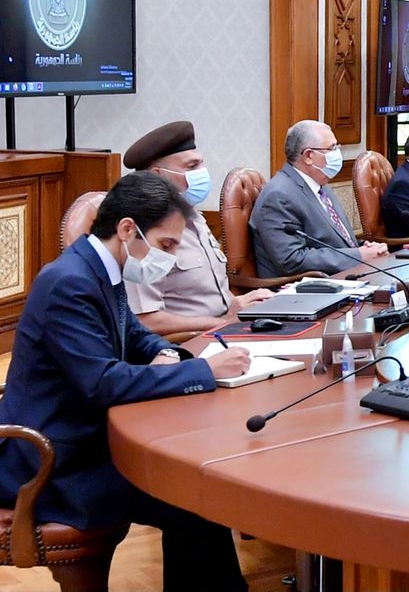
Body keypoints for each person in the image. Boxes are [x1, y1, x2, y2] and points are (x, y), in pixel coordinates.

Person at [0, 173, 254, 591]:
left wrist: (168, 354)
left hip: (89, 442)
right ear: (127, 229)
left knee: (198, 489)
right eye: (166, 245)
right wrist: (203, 371)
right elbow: (103, 382)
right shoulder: (68, 282)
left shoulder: (101, 266)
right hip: (53, 466)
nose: (169, 257)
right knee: (193, 496)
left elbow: (134, 335)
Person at [121, 120, 272, 335]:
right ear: (158, 175)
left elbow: (208, 293)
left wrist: (239, 304)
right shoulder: (144, 233)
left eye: (201, 164)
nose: (202, 173)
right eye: (191, 167)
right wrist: (220, 322)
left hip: (225, 327)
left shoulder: (193, 216)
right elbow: (146, 320)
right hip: (189, 340)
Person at [251, 119, 388, 278]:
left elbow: (336, 241)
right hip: (306, 287)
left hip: (345, 276)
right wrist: (358, 256)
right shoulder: (278, 196)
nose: (337, 153)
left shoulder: (320, 186)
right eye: (332, 148)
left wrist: (365, 248)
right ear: (308, 156)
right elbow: (292, 259)